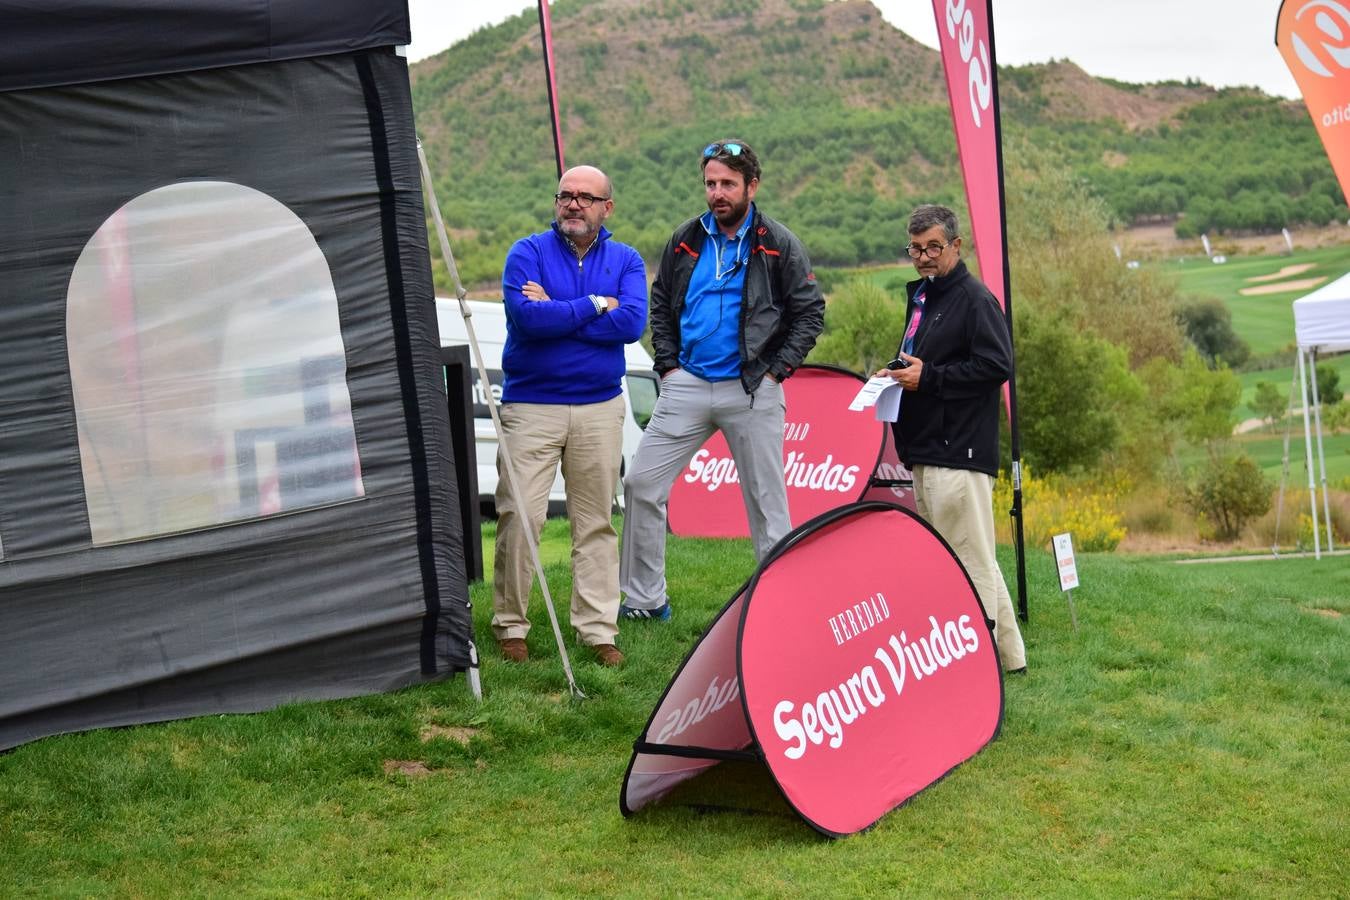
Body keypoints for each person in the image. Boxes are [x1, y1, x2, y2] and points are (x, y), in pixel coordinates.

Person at [619, 139, 825, 620]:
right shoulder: (686, 237)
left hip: (751, 386)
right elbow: (662, 301)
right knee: (642, 485)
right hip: (686, 383)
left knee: (767, 503)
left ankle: (781, 602)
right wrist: (667, 367)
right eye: (711, 183)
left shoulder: (778, 241)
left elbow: (809, 313)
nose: (717, 193)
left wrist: (776, 372)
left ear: (752, 186)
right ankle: (646, 602)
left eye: (728, 184)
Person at [492, 165, 647, 667]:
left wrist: (563, 309)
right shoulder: (527, 252)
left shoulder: (626, 259)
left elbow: (631, 323)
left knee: (595, 523)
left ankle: (598, 632)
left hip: (600, 408)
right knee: (521, 515)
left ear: (607, 207)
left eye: (585, 197)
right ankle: (510, 626)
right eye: (565, 195)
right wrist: (596, 304)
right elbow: (528, 321)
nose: (573, 204)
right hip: (531, 406)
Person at [875, 204, 1027, 673]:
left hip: (958, 451)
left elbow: (997, 366)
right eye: (915, 248)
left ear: (956, 247)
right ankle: (1010, 659)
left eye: (933, 247)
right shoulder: (925, 297)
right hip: (928, 448)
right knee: (972, 552)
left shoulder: (975, 299)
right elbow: (925, 362)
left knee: (967, 560)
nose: (923, 257)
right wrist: (897, 374)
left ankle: (975, 667)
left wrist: (931, 378)